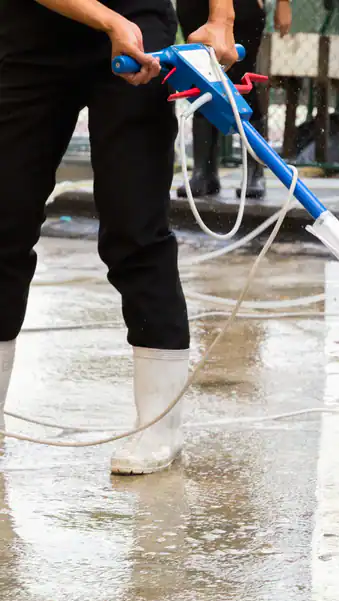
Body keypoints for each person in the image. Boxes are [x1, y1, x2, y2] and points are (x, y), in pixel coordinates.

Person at [0, 0, 238, 473]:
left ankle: (159, 428)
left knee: (136, 229)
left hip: (139, 23)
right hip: (33, 31)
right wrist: (107, 22)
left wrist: (220, 19)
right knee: (4, 223)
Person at [176, 0, 291, 200]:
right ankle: (204, 172)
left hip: (241, 7)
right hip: (193, 7)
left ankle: (254, 171)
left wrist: (283, 2)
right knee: (202, 78)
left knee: (242, 81)